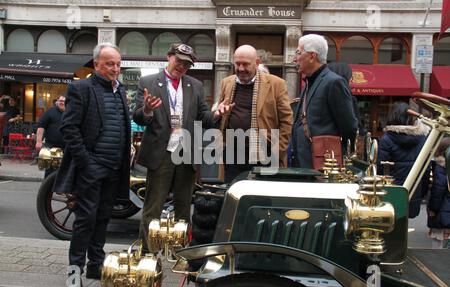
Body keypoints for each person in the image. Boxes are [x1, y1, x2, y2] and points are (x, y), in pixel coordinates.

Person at [133, 43, 227, 255]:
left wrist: (218, 114)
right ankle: (148, 253)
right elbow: (138, 116)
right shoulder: (148, 82)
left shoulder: (195, 85)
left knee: (184, 207)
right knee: (153, 207)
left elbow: (204, 117)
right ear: (169, 57)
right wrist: (147, 109)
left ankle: (181, 253)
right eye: (179, 60)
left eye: (187, 64)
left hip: (186, 153)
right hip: (161, 153)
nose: (182, 66)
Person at [53, 43, 131, 287]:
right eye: (110, 64)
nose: (115, 69)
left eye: (118, 64)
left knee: (103, 219)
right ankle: (74, 275)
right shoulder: (81, 88)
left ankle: (96, 266)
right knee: (85, 221)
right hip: (91, 167)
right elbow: (69, 128)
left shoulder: (120, 91)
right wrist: (86, 161)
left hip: (113, 168)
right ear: (96, 64)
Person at [217, 45, 292, 183]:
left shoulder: (276, 84)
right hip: (233, 153)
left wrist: (277, 151)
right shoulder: (226, 83)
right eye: (237, 64)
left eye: (245, 64)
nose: (241, 68)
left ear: (257, 63)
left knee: (262, 198)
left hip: (265, 154)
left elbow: (287, 121)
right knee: (233, 194)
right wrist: (217, 114)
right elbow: (220, 114)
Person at [291, 34, 357, 169]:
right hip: (304, 164)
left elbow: (349, 127)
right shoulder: (309, 82)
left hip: (324, 166)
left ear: (312, 56)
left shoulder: (334, 82)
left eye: (298, 52)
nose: (294, 58)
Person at [377, 101, 430, 219]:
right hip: (414, 188)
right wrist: (422, 190)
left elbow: (380, 168)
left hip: (391, 190)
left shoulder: (387, 139)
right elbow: (426, 169)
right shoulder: (422, 139)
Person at [327, 61, 365, 149]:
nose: (351, 80)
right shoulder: (343, 94)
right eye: (350, 77)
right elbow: (350, 126)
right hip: (340, 148)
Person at [427, 137, 450, 249]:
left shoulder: (441, 166)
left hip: (442, 209)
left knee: (438, 239)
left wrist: (433, 209)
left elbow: (438, 190)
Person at [35, 95, 66, 177]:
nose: (61, 102)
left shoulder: (71, 113)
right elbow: (41, 127)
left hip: (66, 146)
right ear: (57, 101)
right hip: (51, 145)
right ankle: (48, 188)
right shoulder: (50, 112)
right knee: (50, 168)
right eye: (60, 101)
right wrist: (38, 141)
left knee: (65, 170)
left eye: (63, 101)